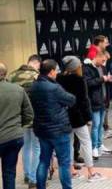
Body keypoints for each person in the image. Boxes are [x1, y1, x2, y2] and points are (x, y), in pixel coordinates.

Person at [57, 56, 105, 182]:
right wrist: (88, 117)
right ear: (76, 67)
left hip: (64, 116)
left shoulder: (59, 78)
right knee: (86, 143)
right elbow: (84, 100)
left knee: (69, 144)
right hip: (78, 117)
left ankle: (72, 171)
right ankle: (91, 173)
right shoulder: (79, 80)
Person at [30, 59, 76, 189]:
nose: (57, 73)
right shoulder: (54, 87)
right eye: (56, 70)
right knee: (64, 163)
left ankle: (40, 186)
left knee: (44, 160)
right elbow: (71, 100)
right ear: (51, 72)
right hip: (59, 130)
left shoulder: (34, 86)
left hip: (42, 130)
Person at [7, 55, 41, 188]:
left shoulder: (11, 75)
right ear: (36, 63)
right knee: (36, 146)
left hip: (18, 117)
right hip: (34, 116)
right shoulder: (36, 75)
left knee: (26, 146)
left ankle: (27, 174)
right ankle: (33, 178)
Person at [0, 62, 34, 189]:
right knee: (9, 172)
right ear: (5, 73)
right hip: (14, 137)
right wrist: (19, 127)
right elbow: (29, 114)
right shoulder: (18, 90)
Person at [84, 51, 112, 159]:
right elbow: (88, 83)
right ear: (96, 57)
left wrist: (108, 80)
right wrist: (102, 79)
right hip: (94, 101)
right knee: (95, 125)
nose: (104, 62)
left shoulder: (103, 68)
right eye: (103, 60)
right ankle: (94, 148)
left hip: (103, 100)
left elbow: (104, 82)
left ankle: (100, 145)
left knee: (100, 125)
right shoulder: (87, 68)